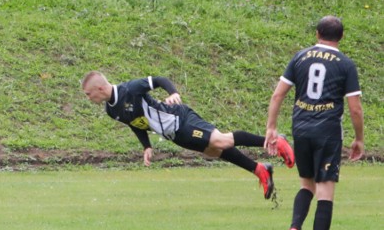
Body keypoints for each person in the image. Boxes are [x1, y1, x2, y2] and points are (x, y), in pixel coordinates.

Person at [82, 71, 295, 200]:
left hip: (179, 119)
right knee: (214, 151)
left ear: (99, 88)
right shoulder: (111, 110)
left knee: (221, 140)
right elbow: (135, 124)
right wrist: (146, 146)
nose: (88, 97)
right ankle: (260, 170)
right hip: (173, 134)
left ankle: (277, 141)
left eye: (88, 93)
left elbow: (159, 79)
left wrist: (172, 92)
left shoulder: (130, 89)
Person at [265, 16, 363, 230]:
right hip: (327, 132)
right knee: (325, 191)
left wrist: (271, 128)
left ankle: (295, 228)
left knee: (306, 185)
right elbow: (355, 109)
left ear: (317, 32)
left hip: (301, 129)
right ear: (341, 37)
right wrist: (359, 138)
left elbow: (278, 96)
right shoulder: (345, 64)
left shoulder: (300, 57)